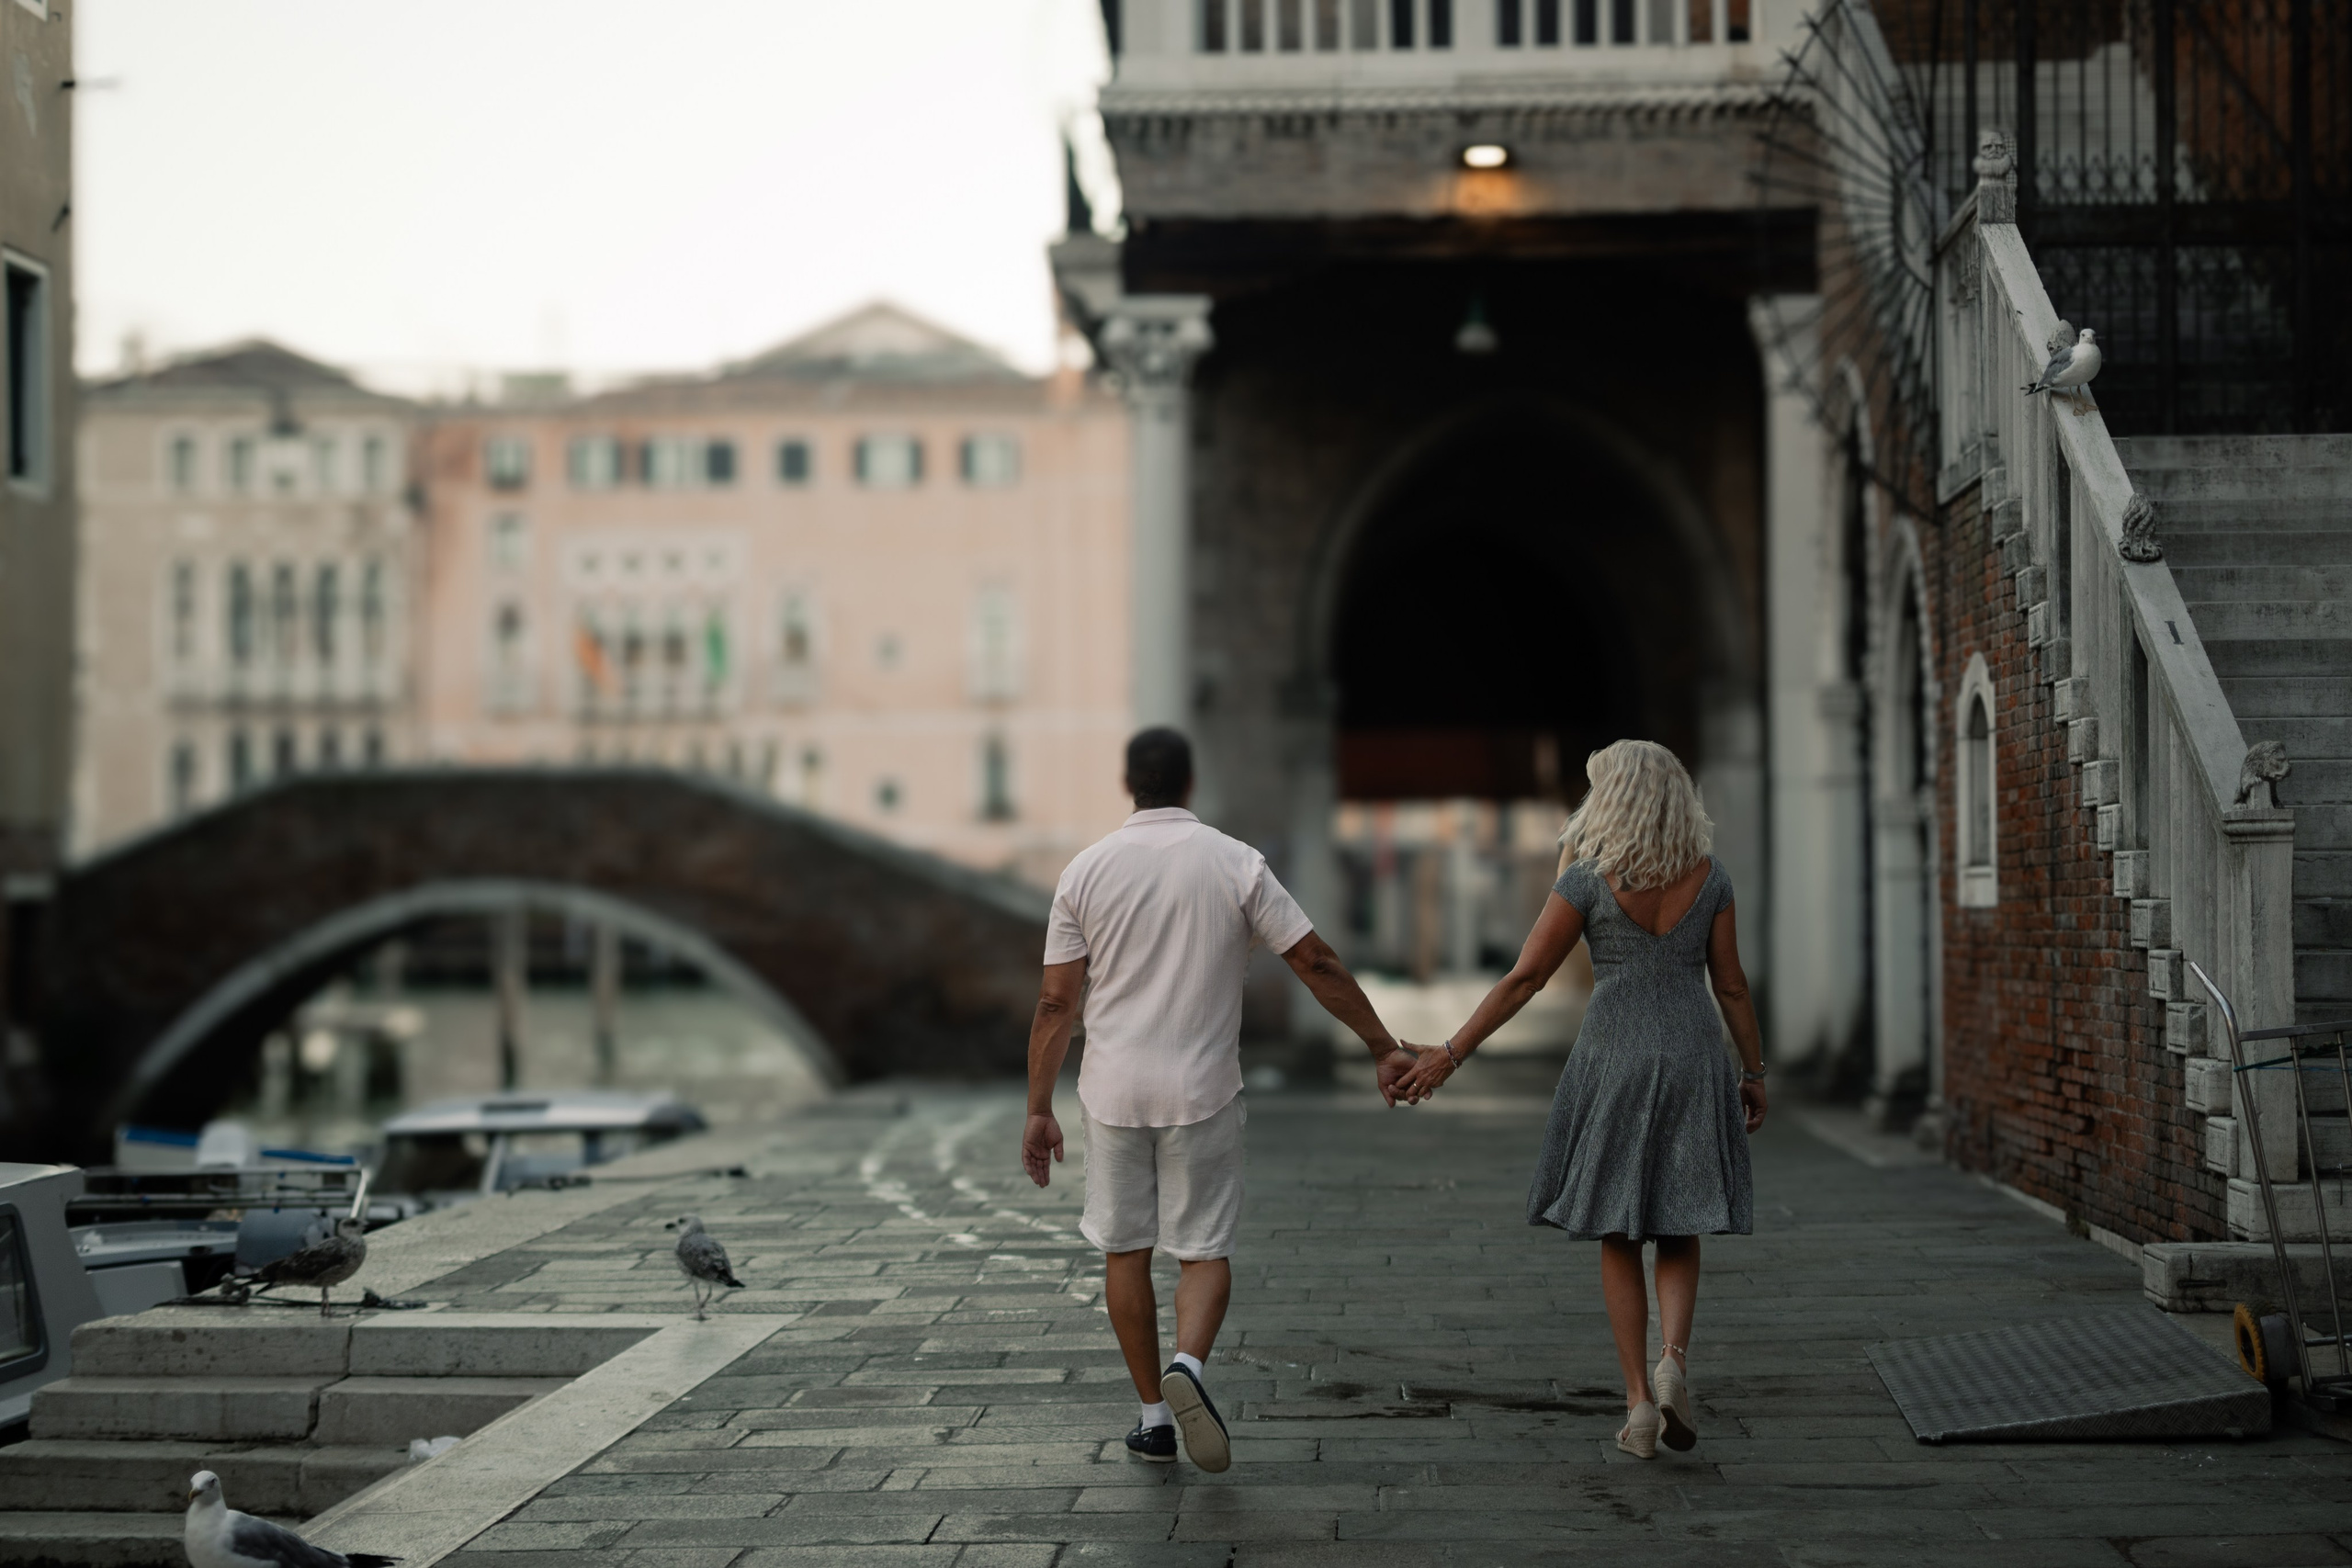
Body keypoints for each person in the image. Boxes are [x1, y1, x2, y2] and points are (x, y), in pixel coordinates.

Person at [1023, 727, 1418, 1472]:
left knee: (1125, 1249)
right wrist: (1380, 1042)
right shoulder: (1237, 862)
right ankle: (1191, 1368)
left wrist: (1038, 1107)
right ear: (1190, 783)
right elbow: (1315, 959)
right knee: (1203, 1250)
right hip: (1202, 1089)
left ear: (1128, 783)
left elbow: (1054, 1004)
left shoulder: (1085, 871)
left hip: (1112, 1092)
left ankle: (1152, 1419)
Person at [1396, 739, 1766, 1460]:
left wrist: (1449, 1053)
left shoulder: (1587, 881)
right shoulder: (1709, 876)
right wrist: (1754, 1070)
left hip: (1615, 1057)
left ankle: (1637, 1407)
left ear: (1612, 800)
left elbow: (1525, 978)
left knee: (1618, 1230)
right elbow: (1731, 985)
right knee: (1681, 1219)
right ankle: (1675, 1361)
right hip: (1695, 1052)